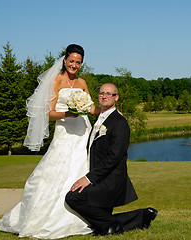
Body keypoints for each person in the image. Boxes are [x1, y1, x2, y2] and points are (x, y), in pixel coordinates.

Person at [0, 44, 99, 239]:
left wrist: (106, 110)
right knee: (54, 170)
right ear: (65, 59)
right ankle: (51, 218)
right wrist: (67, 114)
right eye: (71, 61)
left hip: (82, 131)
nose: (74, 65)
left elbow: (91, 108)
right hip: (64, 131)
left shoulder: (82, 83)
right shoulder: (56, 81)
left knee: (81, 168)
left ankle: (82, 217)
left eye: (78, 62)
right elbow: (48, 113)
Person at [65, 83, 158, 236]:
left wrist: (88, 178)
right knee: (101, 220)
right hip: (101, 176)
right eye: (102, 93)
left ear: (116, 97)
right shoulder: (100, 120)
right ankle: (142, 216)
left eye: (109, 93)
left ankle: (111, 225)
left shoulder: (119, 123)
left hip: (111, 180)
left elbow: (114, 157)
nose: (104, 96)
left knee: (73, 198)